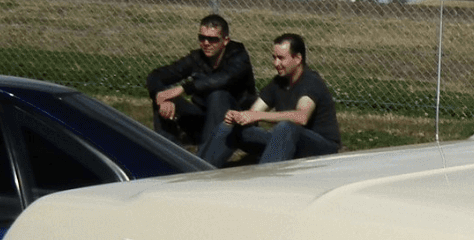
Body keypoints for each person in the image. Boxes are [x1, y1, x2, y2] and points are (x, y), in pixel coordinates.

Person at [201, 33, 342, 167]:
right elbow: (253, 112)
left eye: (281, 58)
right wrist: (238, 117)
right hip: (286, 139)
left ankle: (265, 183)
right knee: (231, 127)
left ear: (298, 58)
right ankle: (196, 174)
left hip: (321, 147)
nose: (276, 63)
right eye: (274, 57)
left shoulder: (310, 82)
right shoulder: (278, 82)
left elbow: (301, 117)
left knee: (285, 127)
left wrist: (257, 116)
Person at [145, 15, 257, 154]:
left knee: (218, 94)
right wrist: (162, 97)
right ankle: (169, 152)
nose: (206, 43)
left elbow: (224, 78)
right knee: (162, 96)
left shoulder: (239, 57)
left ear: (225, 40)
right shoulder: (197, 58)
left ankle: (204, 157)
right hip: (204, 118)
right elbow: (156, 76)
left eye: (212, 39)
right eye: (202, 38)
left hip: (236, 121)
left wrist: (184, 88)